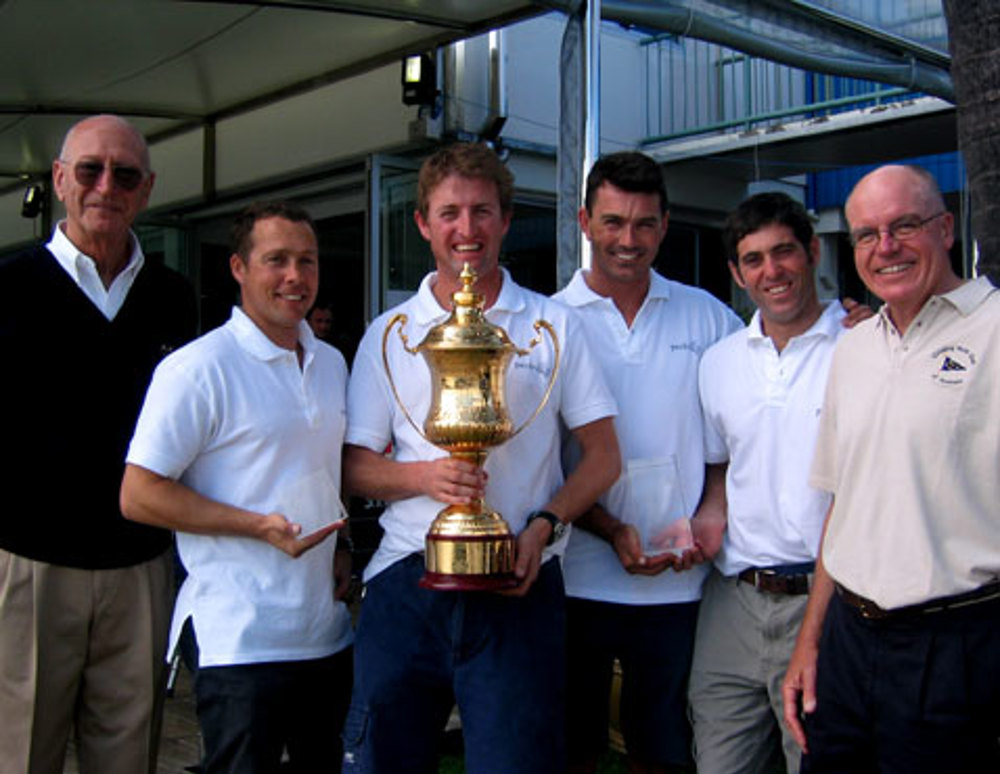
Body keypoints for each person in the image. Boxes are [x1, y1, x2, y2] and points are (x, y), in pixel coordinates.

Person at [341, 142, 620, 774]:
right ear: (422, 224)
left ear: (504, 219)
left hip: (520, 581)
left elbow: (604, 457)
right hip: (407, 580)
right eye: (448, 214)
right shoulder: (388, 334)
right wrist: (421, 476)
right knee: (382, 761)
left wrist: (545, 525)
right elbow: (354, 466)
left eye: (481, 211)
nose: (466, 230)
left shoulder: (553, 325)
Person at [120, 201, 354, 774]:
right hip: (240, 638)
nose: (295, 276)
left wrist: (343, 546)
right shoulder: (198, 369)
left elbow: (319, 469)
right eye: (276, 260)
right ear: (238, 269)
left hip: (325, 631)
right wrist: (256, 526)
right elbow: (139, 493)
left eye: (307, 260)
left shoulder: (331, 362)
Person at [781, 164, 1000, 773]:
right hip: (850, 641)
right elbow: (842, 507)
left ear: (947, 228)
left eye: (905, 226)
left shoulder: (994, 331)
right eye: (867, 235)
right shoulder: (853, 348)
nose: (887, 248)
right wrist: (810, 642)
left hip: (958, 644)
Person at [0, 115, 197, 774]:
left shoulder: (175, 299)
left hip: (139, 571)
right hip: (28, 568)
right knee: (18, 754)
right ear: (59, 180)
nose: (106, 185)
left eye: (125, 174)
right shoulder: (7, 289)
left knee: (127, 760)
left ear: (146, 190)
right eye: (89, 169)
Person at [553, 151, 743, 774]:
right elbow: (542, 465)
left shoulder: (709, 317)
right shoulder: (549, 325)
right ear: (585, 221)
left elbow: (731, 440)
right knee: (573, 747)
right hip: (576, 578)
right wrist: (607, 529)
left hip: (680, 584)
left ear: (664, 225)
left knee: (666, 750)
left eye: (643, 224)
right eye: (612, 222)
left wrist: (708, 513)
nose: (627, 241)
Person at [686, 192, 852, 774]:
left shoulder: (865, 346)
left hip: (828, 603)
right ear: (736, 272)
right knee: (721, 764)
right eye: (753, 259)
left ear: (811, 252)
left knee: (817, 760)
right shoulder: (718, 361)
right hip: (732, 602)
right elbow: (721, 467)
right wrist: (709, 513)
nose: (771, 271)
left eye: (784, 252)